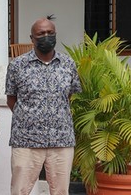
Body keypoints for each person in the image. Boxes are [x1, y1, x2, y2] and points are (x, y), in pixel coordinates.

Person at [6, 17, 81, 195]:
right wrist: (29, 118)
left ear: (55, 35)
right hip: (26, 140)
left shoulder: (68, 64)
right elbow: (11, 98)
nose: (46, 36)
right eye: (41, 33)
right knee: (19, 190)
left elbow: (69, 95)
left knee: (61, 191)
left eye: (50, 33)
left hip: (61, 140)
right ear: (32, 38)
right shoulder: (17, 65)